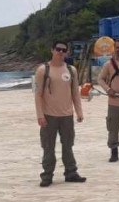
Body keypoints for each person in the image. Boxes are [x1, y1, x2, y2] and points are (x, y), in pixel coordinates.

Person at [34, 40, 86, 187]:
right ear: (52, 50)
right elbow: (38, 95)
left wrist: (79, 112)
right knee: (48, 147)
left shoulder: (71, 70)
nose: (61, 52)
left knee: (68, 146)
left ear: (67, 52)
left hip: (67, 116)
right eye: (58, 49)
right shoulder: (43, 70)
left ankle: (71, 173)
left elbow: (75, 92)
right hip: (49, 116)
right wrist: (40, 115)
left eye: (64, 50)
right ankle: (47, 176)